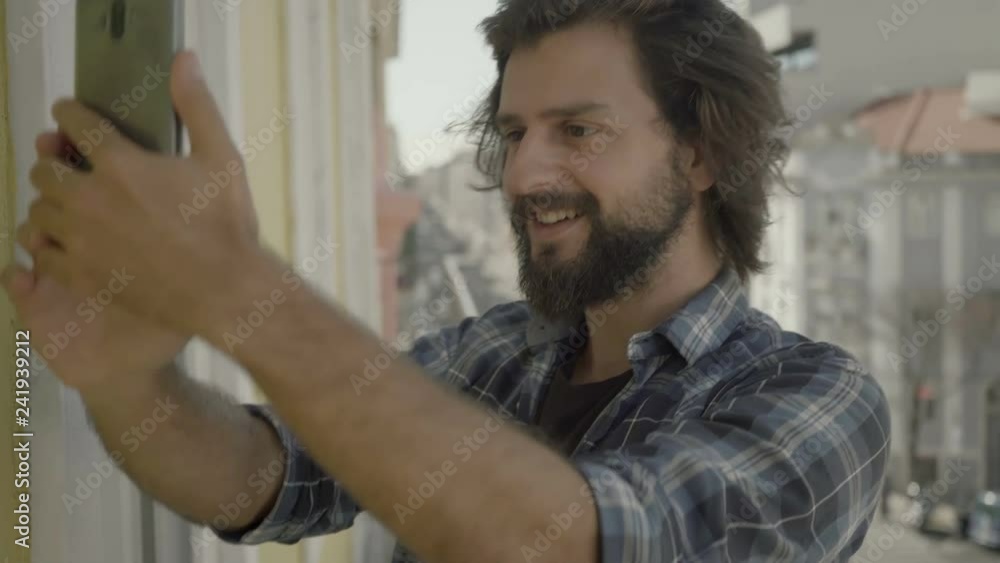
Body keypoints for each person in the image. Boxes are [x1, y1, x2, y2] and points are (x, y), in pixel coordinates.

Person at [2, 0, 891, 561]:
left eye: (578, 131)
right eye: (514, 134)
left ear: (701, 153)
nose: (523, 176)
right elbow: (259, 476)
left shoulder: (818, 400)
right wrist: (124, 376)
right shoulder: (496, 349)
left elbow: (577, 544)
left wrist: (237, 288)